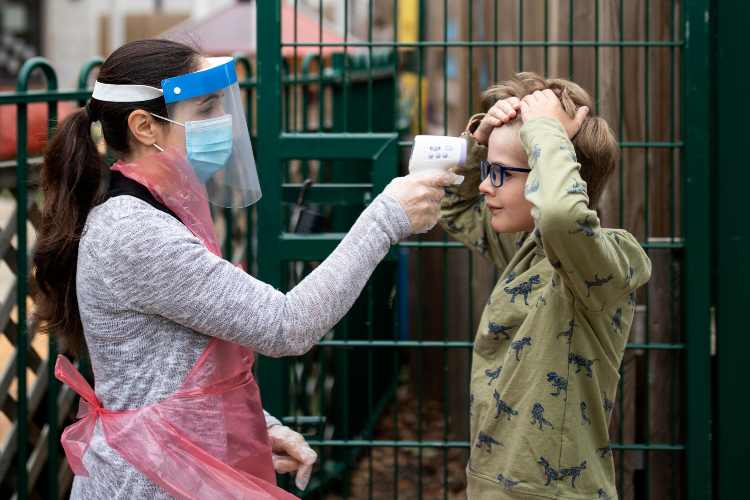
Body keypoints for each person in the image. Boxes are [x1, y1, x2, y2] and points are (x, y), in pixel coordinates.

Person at [33, 39, 459, 499]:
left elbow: (167, 368)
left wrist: (257, 427)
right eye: (207, 108)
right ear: (144, 126)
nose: (224, 122)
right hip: (149, 479)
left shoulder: (156, 209)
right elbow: (286, 325)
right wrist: (385, 218)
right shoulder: (135, 231)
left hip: (172, 466)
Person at [440, 72, 652, 499]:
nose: (485, 184)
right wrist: (480, 140)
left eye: (500, 173)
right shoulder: (526, 249)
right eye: (486, 170)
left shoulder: (605, 260)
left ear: (548, 170)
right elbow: (451, 204)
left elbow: (559, 214)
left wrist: (546, 132)